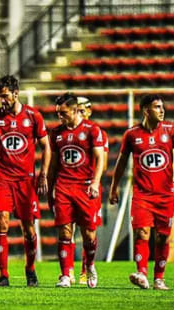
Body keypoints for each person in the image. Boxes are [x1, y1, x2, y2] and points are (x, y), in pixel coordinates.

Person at [0, 75, 51, 287]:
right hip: (3, 178)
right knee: (1, 222)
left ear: (16, 93)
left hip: (26, 180)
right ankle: (4, 275)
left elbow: (46, 147)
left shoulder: (33, 116)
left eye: (5, 96)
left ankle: (30, 270)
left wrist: (43, 174)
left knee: (28, 228)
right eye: (0, 97)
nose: (2, 100)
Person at [109, 94, 174, 290]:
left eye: (162, 106)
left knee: (162, 237)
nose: (162, 110)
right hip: (142, 195)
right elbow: (120, 164)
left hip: (165, 195)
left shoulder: (170, 130)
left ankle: (159, 279)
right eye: (157, 107)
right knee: (142, 233)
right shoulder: (132, 134)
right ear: (146, 110)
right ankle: (142, 273)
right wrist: (113, 187)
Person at [47, 93, 105, 288]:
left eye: (63, 113)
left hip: (85, 186)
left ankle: (89, 265)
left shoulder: (92, 130)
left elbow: (100, 159)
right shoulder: (56, 133)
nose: (59, 117)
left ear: (73, 110)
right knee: (64, 232)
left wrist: (95, 183)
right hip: (64, 186)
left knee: (89, 234)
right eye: (57, 114)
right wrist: (50, 187)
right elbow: (54, 164)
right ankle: (65, 274)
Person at [76, 96, 109, 285]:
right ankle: (68, 272)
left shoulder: (98, 133)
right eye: (76, 110)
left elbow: (102, 165)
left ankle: (85, 269)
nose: (79, 114)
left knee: (88, 231)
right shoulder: (67, 132)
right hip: (69, 186)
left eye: (82, 110)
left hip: (89, 186)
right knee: (67, 227)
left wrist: (91, 178)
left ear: (89, 111)